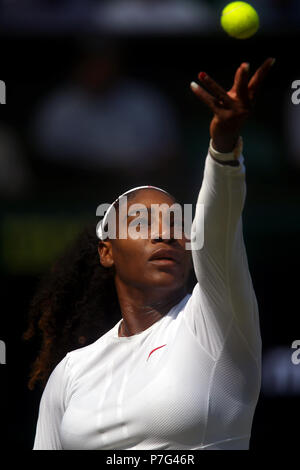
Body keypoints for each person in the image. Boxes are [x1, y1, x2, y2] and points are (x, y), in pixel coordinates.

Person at [26, 58, 275, 450]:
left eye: (178, 223)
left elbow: (219, 229)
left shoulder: (218, 321)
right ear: (107, 253)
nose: (166, 233)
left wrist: (223, 148)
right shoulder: (71, 373)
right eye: (143, 222)